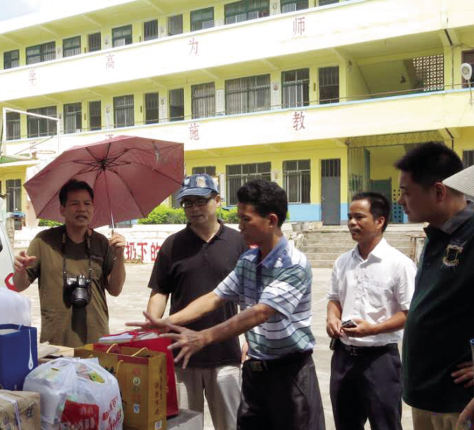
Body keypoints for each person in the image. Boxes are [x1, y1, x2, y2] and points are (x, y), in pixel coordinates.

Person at [130, 179, 325, 430]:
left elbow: (260, 312)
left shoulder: (293, 264)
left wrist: (203, 337)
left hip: (290, 375)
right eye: (239, 219)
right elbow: (215, 297)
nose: (240, 226)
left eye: (246, 220)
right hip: (256, 372)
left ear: (272, 220)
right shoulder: (249, 260)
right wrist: (164, 322)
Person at [146, 174, 246, 430]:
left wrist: (249, 339)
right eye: (188, 203)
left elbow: (250, 296)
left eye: (200, 201)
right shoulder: (173, 245)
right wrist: (152, 326)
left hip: (225, 354)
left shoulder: (238, 242)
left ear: (217, 200)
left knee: (231, 424)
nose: (194, 208)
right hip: (181, 357)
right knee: (183, 426)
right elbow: (160, 291)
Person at [395, 143, 474, 429]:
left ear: (439, 191)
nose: (401, 200)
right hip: (427, 398)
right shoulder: (435, 235)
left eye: (406, 191)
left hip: (460, 404)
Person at [326, 192, 416, 430]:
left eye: (359, 217)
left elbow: (408, 313)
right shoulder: (343, 261)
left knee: (385, 424)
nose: (351, 223)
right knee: (345, 423)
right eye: (349, 217)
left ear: (379, 221)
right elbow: (335, 298)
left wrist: (373, 329)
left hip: (380, 361)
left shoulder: (399, 264)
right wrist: (332, 318)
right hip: (343, 358)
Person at [12, 179, 126, 347]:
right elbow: (19, 285)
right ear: (62, 209)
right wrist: (20, 269)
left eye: (87, 203)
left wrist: (120, 256)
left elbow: (115, 290)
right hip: (55, 343)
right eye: (75, 203)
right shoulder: (44, 241)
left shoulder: (101, 242)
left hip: (96, 341)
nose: (82, 208)